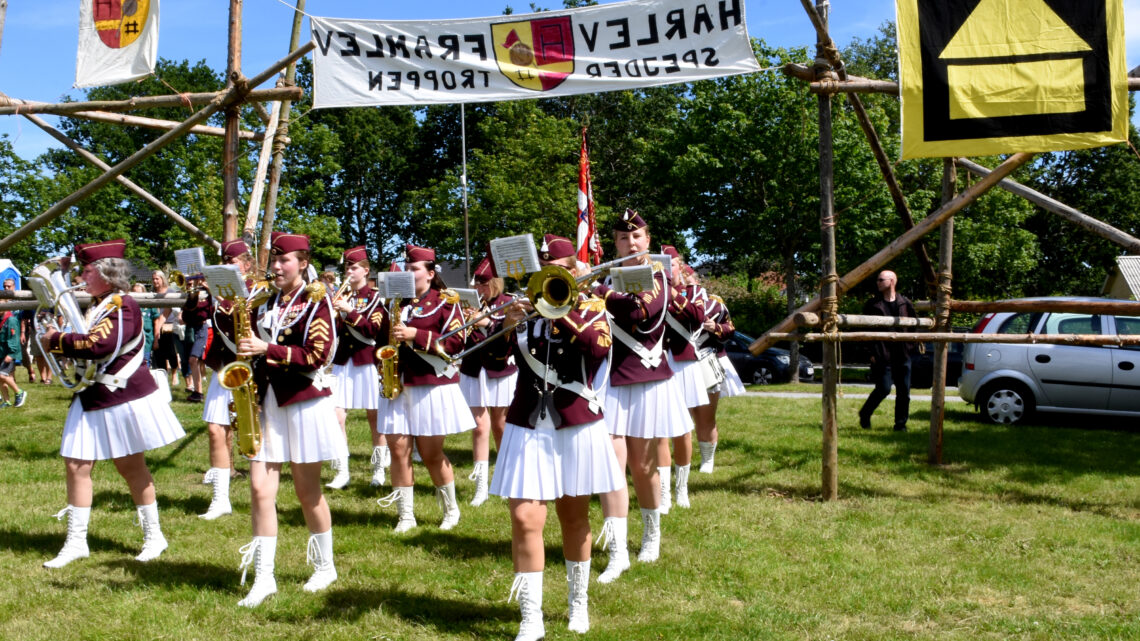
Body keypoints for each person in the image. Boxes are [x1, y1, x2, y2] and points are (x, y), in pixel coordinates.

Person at [490, 234, 623, 640]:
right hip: (527, 421)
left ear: (576, 271)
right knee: (525, 517)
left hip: (575, 421)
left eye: (559, 270)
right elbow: (491, 361)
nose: (550, 276)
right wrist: (510, 323)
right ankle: (531, 618)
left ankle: (576, 604)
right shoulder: (522, 308)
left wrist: (558, 309)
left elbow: (597, 349)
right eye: (544, 270)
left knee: (573, 517)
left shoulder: (592, 308)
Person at [39, 239, 186, 568]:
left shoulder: (122, 304)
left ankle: (154, 536)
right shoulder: (98, 304)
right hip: (92, 394)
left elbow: (100, 344)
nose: (82, 276)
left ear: (107, 273)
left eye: (87, 270)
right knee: (77, 466)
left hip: (121, 396)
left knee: (130, 467)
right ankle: (76, 541)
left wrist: (57, 341)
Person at [233, 232, 346, 607]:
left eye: (285, 260)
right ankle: (264, 577)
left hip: (303, 401)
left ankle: (324, 566)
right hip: (267, 401)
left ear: (302, 262)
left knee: (307, 491)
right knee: (260, 490)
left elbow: (318, 353)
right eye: (275, 260)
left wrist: (269, 348)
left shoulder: (317, 302)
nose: (277, 267)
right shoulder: (264, 299)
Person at [593, 210, 691, 583]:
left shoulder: (659, 275)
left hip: (647, 379)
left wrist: (601, 293)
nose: (630, 244)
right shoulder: (606, 277)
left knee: (643, 466)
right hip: (610, 381)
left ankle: (651, 535)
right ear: (615, 243)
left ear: (648, 240)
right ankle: (618, 552)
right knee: (611, 467)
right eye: (622, 238)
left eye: (636, 237)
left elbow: (643, 312)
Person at [375, 244, 475, 533]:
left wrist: (415, 334)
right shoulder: (395, 303)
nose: (409, 271)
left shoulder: (446, 301)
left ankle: (451, 509)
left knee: (431, 454)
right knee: (398, 451)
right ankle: (406, 515)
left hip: (430, 385)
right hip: (397, 384)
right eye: (407, 267)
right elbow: (381, 343)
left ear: (430, 273)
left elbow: (456, 344)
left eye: (415, 268)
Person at [192, 239, 259, 520]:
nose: (227, 267)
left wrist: (220, 297)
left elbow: (246, 325)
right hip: (225, 368)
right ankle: (220, 499)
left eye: (232, 263)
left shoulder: (259, 291)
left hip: (254, 370)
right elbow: (193, 318)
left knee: (258, 436)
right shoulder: (219, 293)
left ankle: (263, 495)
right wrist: (200, 298)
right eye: (225, 263)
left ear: (246, 264)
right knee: (215, 429)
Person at [458, 256, 517, 507]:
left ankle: (504, 479)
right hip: (474, 367)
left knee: (501, 426)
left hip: (500, 368)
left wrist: (485, 323)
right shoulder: (469, 305)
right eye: (477, 285)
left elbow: (509, 333)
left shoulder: (508, 303)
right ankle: (481, 486)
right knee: (479, 427)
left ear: (494, 283)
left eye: (483, 285)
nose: (479, 290)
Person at [328, 246, 388, 489]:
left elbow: (372, 331)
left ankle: (379, 469)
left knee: (375, 417)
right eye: (346, 268)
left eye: (353, 268)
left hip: (367, 361)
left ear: (365, 270)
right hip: (344, 361)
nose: (349, 272)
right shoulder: (344, 296)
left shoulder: (376, 299)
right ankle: (342, 471)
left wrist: (350, 312)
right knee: (336, 416)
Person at [656, 246, 707, 511]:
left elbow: (698, 318)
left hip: (684, 362)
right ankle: (663, 494)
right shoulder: (653, 293)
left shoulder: (694, 292)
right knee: (661, 432)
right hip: (659, 362)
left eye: (671, 265)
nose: (666, 270)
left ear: (680, 266)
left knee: (683, 430)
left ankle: (681, 487)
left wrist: (673, 293)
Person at [689, 266, 742, 474]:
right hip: (676, 365)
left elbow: (730, 329)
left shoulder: (714, 304)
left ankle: (707, 460)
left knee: (705, 417)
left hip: (706, 362)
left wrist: (715, 328)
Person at [858, 269, 919, 432]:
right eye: (877, 280)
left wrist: (910, 347)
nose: (877, 282)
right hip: (882, 355)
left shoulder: (905, 303)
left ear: (891, 281)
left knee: (904, 392)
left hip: (903, 355)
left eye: (881, 280)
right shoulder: (872, 305)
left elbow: (914, 326)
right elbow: (864, 330)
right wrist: (870, 353)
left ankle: (900, 425)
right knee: (884, 388)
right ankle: (865, 413)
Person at [150, 271, 181, 386]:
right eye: (153, 279)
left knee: (171, 352)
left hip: (170, 325)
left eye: (157, 279)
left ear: (162, 279)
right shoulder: (152, 293)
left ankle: (174, 372)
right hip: (157, 324)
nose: (155, 281)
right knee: (159, 353)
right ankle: (163, 377)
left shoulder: (171, 292)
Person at [1, 278, 27, 408]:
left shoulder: (11, 319)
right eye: (4, 286)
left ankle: (19, 392)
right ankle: (6, 400)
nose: (6, 288)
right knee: (2, 378)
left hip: (9, 350)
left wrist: (11, 353)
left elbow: (14, 337)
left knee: (3, 375)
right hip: (2, 350)